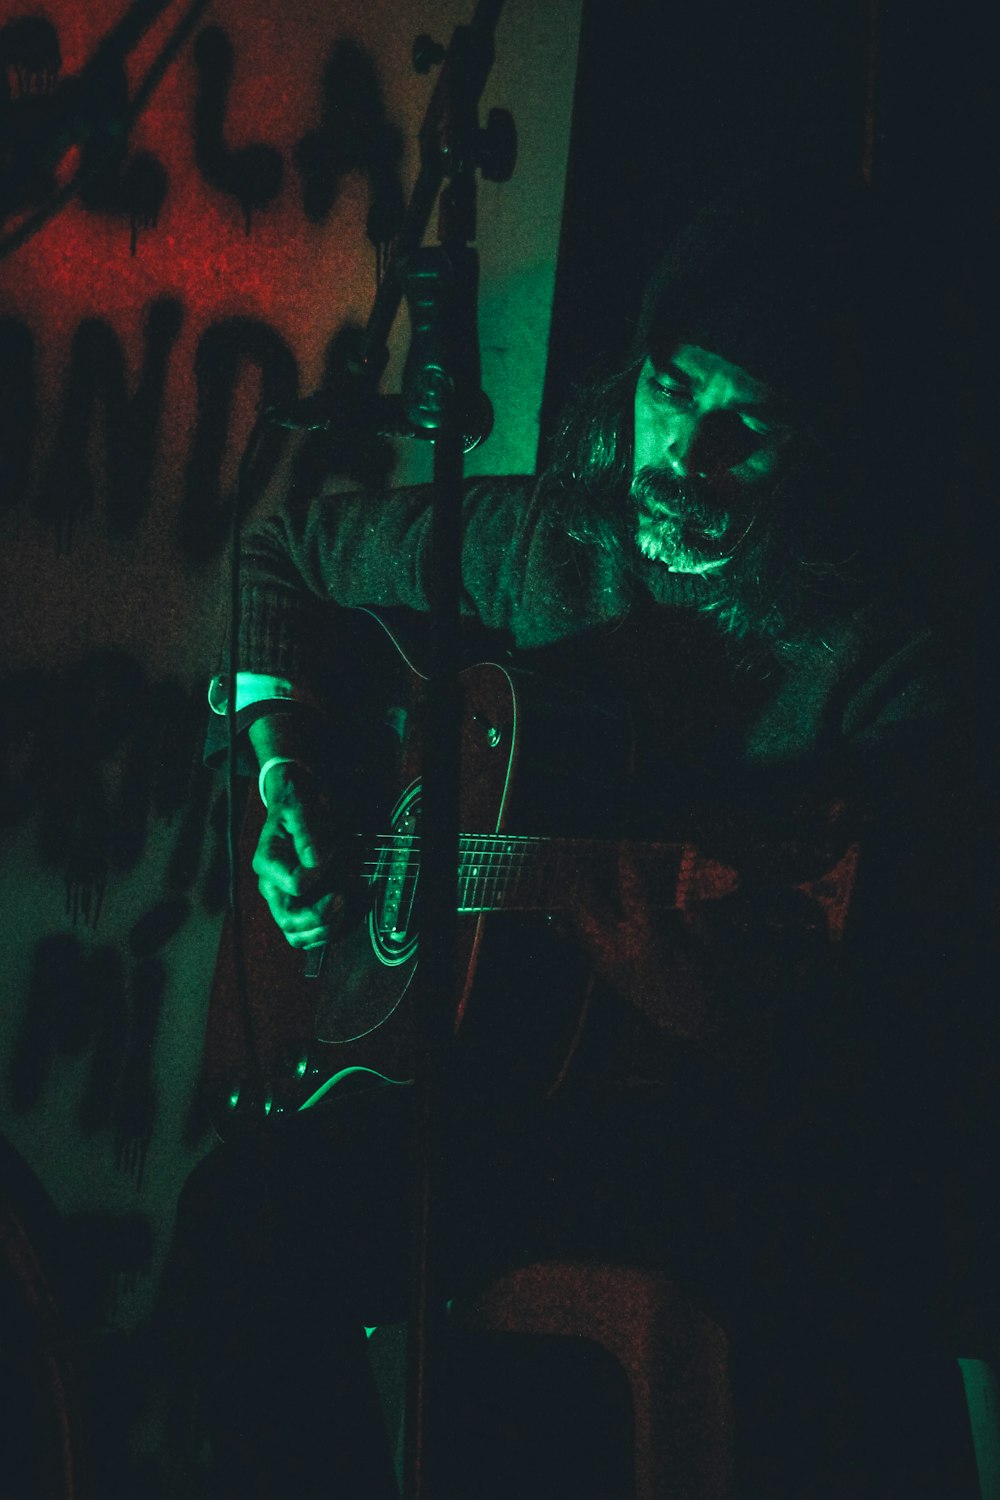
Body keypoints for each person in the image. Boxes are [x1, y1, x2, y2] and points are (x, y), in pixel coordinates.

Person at [165, 186, 992, 1499]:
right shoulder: (560, 537)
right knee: (240, 1227)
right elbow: (283, 554)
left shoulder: (893, 678)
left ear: (836, 450)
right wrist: (287, 777)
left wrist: (704, 1013)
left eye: (748, 431)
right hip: (500, 1094)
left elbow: (906, 1043)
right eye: (672, 393)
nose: (685, 456)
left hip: (731, 1139)